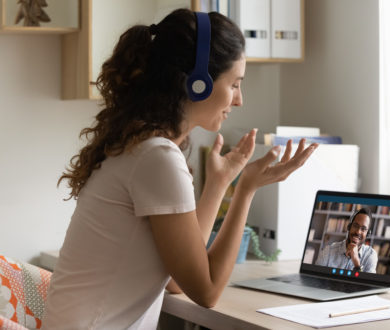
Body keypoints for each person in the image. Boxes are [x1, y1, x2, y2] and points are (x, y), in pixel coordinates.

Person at [41, 9, 317, 330]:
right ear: (198, 83)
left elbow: (177, 278)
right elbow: (207, 290)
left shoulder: (138, 146)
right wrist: (245, 189)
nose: (239, 100)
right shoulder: (157, 158)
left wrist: (219, 183)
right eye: (235, 84)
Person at [315, 208, 378, 273]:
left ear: (368, 234)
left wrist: (357, 264)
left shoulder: (370, 255)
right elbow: (314, 278)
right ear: (349, 227)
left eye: (363, 229)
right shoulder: (328, 251)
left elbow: (366, 283)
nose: (358, 232)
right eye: (355, 226)